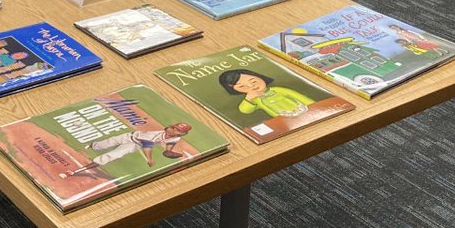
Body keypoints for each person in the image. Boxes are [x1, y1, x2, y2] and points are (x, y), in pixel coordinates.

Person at [59, 123, 192, 178]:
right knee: (103, 145)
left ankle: (76, 171)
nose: (172, 129)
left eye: (176, 130)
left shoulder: (176, 138)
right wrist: (149, 159)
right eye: (173, 127)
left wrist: (171, 152)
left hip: (133, 145)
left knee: (113, 155)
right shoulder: (154, 135)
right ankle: (90, 145)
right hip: (128, 137)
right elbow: (147, 147)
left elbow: (168, 148)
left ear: (181, 133)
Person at [218, 69, 314, 118]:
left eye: (253, 81)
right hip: (286, 120)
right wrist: (249, 99)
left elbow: (301, 98)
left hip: (307, 112)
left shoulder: (278, 90)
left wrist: (315, 108)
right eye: (242, 86)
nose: (251, 86)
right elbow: (244, 110)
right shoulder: (255, 100)